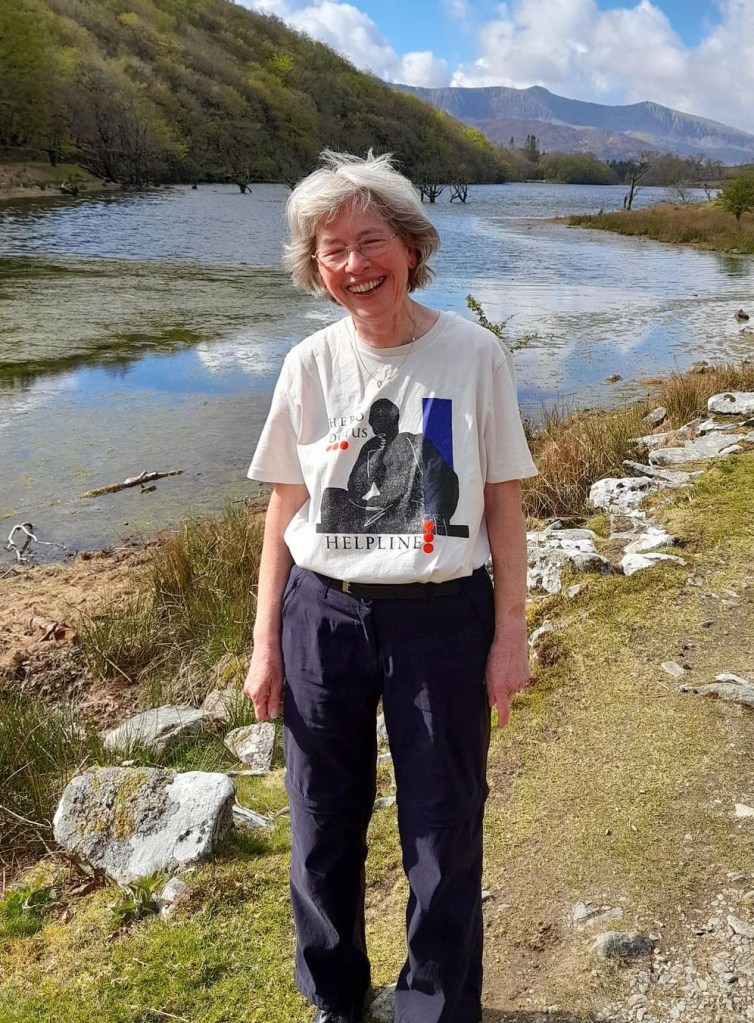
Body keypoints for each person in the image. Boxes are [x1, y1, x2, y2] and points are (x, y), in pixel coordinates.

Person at [244, 150, 538, 1023]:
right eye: (332, 249)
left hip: (443, 618)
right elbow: (284, 509)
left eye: (370, 241)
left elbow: (504, 503)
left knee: (443, 829)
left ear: (409, 246)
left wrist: (510, 633)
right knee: (320, 824)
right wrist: (265, 643)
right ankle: (337, 1000)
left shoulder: (474, 354)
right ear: (314, 267)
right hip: (322, 613)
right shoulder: (308, 363)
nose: (352, 265)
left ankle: (433, 1007)